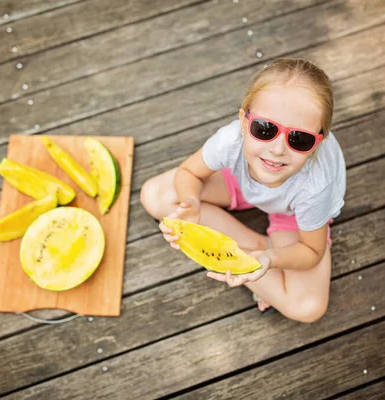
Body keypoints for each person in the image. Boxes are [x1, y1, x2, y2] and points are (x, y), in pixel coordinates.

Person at [140, 58, 346, 323]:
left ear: (318, 142)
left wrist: (270, 258)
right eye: (265, 129)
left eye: (299, 139)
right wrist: (191, 203)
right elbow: (189, 172)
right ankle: (259, 255)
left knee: (307, 308)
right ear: (243, 121)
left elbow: (311, 252)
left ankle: (260, 253)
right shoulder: (232, 139)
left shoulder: (315, 187)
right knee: (155, 195)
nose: (278, 149)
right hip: (241, 180)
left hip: (293, 215)